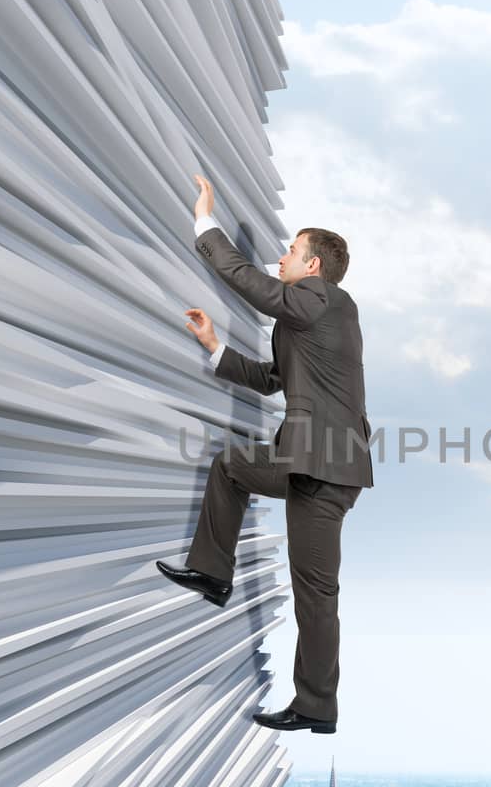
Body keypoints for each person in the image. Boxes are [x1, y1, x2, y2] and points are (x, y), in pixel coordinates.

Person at [158, 174, 374, 734]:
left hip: (324, 469)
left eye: (292, 252)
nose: (282, 258)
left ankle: (316, 706)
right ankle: (212, 573)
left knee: (316, 594)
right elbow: (271, 377)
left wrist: (206, 220)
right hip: (308, 461)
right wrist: (215, 348)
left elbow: (249, 282)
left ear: (314, 268)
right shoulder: (308, 319)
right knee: (232, 465)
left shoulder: (323, 301)